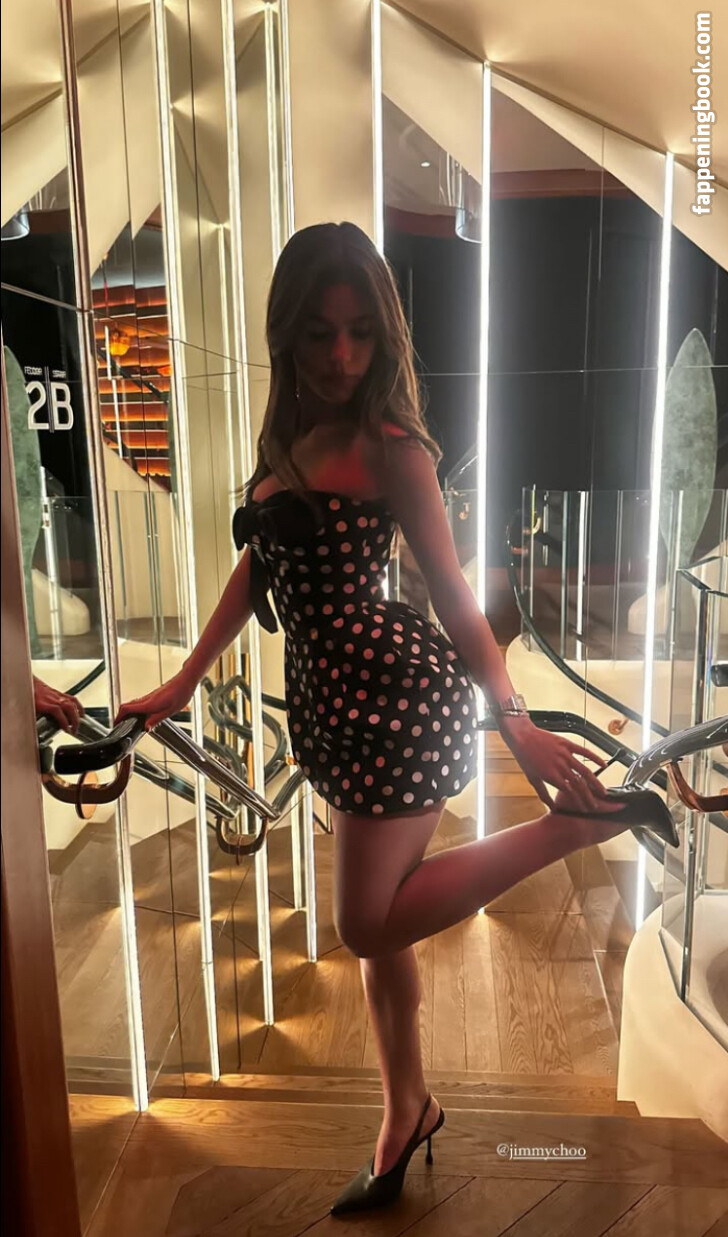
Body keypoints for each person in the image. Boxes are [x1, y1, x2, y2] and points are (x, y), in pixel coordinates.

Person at [116, 222, 653, 1216]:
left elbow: (453, 595)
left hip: (392, 699)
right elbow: (260, 561)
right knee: (382, 936)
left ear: (383, 334)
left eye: (360, 332)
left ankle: (570, 830)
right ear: (287, 333)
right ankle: (408, 1108)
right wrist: (187, 676)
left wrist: (514, 718)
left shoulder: (390, 448)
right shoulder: (289, 433)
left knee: (365, 921)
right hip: (333, 705)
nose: (340, 355)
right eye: (320, 332)